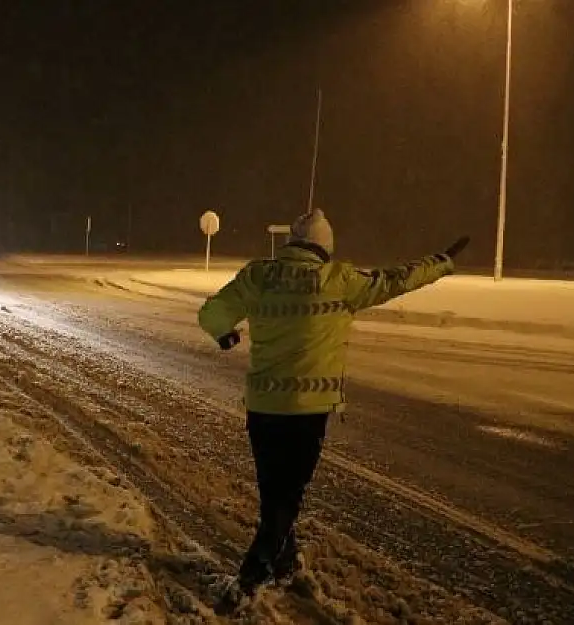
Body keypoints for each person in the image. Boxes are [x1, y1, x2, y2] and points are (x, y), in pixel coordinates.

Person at [198, 208, 469, 607]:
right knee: (285, 501)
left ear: (292, 243)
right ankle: (249, 580)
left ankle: (286, 564)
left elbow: (212, 312)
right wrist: (441, 262)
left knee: (274, 492)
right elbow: (396, 279)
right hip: (307, 412)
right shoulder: (339, 280)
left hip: (263, 407)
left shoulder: (260, 275)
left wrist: (226, 335)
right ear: (325, 248)